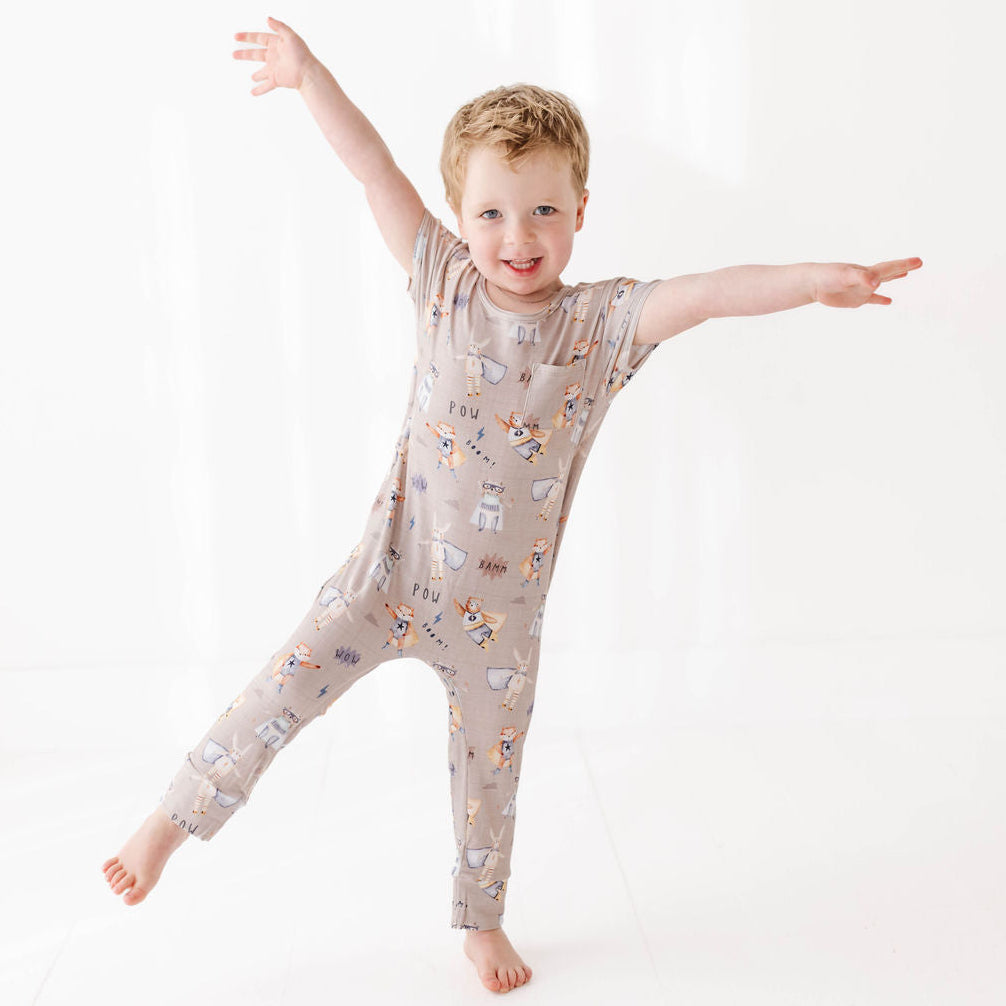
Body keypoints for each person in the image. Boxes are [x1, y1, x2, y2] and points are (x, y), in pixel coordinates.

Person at [102, 16, 923, 995]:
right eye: (490, 212)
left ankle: (480, 921)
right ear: (459, 214)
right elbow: (371, 169)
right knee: (280, 689)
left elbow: (707, 293)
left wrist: (816, 282)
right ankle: (170, 821)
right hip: (385, 579)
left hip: (500, 623)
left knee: (490, 777)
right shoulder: (441, 277)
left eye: (542, 211)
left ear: (580, 211)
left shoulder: (600, 324)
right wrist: (308, 74)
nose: (518, 237)